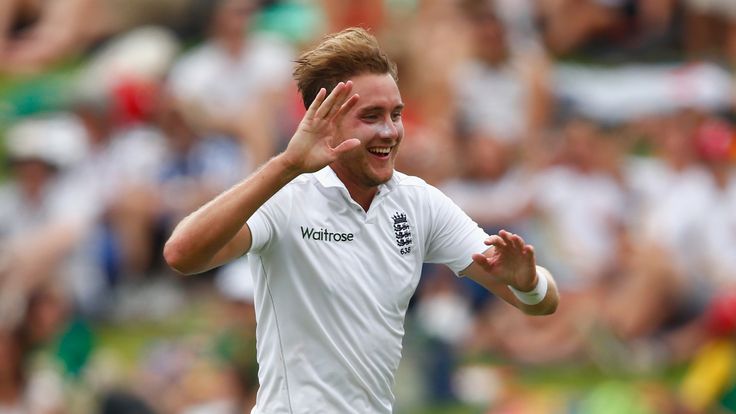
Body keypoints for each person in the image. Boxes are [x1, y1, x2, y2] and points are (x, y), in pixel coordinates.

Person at [164, 27, 559, 413]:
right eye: (372, 116)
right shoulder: (286, 196)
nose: (390, 131)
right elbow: (182, 254)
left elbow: (539, 303)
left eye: (396, 114)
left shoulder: (418, 203)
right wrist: (286, 164)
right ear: (327, 120)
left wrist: (527, 281)